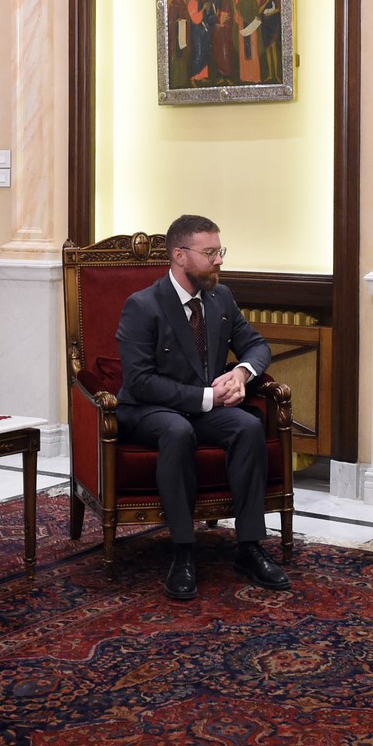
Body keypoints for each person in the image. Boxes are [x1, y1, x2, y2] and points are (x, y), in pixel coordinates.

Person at [115, 214, 288, 600]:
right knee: (178, 431)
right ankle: (183, 551)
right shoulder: (142, 305)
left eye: (219, 251)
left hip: (204, 406)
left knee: (248, 426)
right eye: (210, 253)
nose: (219, 260)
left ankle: (249, 547)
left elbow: (257, 345)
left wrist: (240, 374)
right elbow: (140, 382)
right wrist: (209, 397)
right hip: (149, 409)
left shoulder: (219, 298)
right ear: (180, 256)